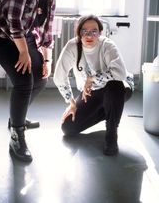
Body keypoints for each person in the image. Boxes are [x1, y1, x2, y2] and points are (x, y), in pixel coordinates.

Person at [0, 0, 65, 162]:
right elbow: (14, 21)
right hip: (2, 38)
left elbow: (48, 31)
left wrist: (47, 60)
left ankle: (16, 117)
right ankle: (16, 136)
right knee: (23, 83)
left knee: (40, 79)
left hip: (26, 38)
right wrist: (23, 52)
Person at [53, 14, 134, 156]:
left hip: (119, 88)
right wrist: (71, 103)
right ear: (79, 33)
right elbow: (59, 76)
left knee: (113, 86)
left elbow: (120, 73)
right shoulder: (72, 46)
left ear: (100, 33)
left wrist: (92, 78)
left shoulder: (107, 45)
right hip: (92, 92)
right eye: (84, 31)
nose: (89, 35)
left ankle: (111, 132)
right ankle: (109, 111)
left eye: (94, 31)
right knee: (68, 128)